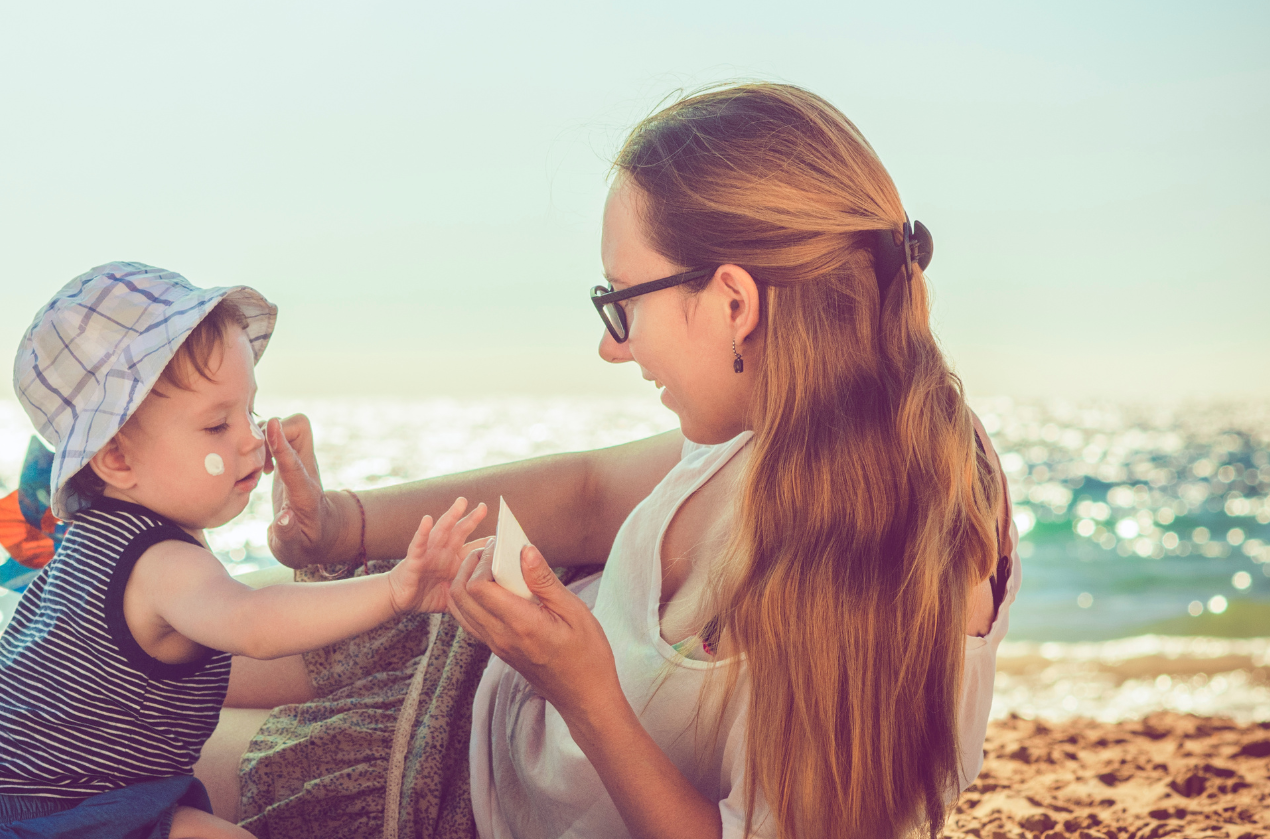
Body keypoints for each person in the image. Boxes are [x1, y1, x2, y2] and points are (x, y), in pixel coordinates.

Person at [212, 83, 1017, 839]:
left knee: (138, 755)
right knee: (164, 648)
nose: (608, 345)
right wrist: (342, 526)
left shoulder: (896, 556)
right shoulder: (792, 421)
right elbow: (593, 495)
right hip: (463, 650)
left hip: (455, 786)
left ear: (735, 303)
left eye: (621, 301)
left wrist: (588, 697)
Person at [0, 263, 486, 839]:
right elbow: (255, 625)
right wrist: (394, 589)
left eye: (249, 411)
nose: (251, 438)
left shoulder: (102, 536)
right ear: (117, 460)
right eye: (215, 426)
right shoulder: (159, 562)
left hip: (53, 804)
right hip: (58, 821)